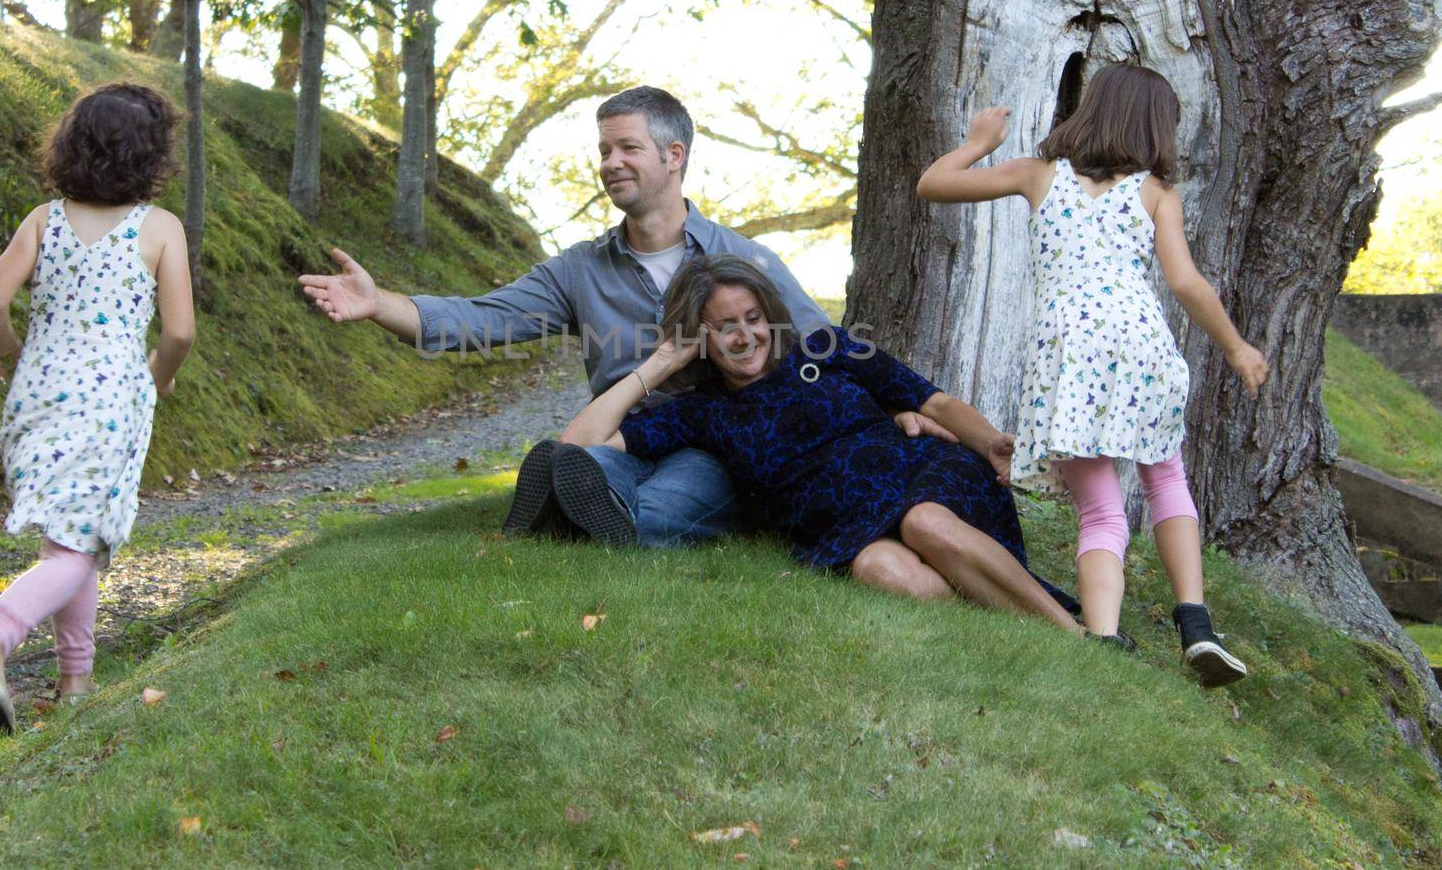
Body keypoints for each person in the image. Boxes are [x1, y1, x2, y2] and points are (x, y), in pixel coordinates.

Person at [299, 86, 956, 555]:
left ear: (674, 156)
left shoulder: (743, 259)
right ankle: (571, 495)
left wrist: (895, 408)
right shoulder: (581, 270)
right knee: (589, 466)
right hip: (623, 428)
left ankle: (586, 520)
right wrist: (377, 301)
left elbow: (823, 348)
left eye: (627, 148)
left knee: (672, 494)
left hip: (717, 438)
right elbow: (481, 318)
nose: (610, 162)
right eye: (605, 149)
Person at [916, 63, 1268, 686]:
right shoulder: (1156, 192)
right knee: (1166, 481)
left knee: (1101, 512)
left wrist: (976, 144)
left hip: (1066, 359)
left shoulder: (1037, 174)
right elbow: (1184, 283)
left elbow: (933, 185)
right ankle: (1197, 626)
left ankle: (1103, 641)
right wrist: (1237, 347)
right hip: (1142, 350)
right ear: (1156, 128)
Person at [556, 253, 1080, 627]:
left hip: (920, 471)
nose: (746, 336)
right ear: (699, 337)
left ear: (770, 315)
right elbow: (575, 447)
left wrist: (989, 442)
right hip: (849, 524)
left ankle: (1075, 635)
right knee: (880, 570)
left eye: (753, 318)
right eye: (724, 327)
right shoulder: (703, 412)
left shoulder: (823, 348)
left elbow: (932, 403)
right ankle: (1003, 605)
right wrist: (660, 363)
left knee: (924, 521)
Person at [0, 83, 196, 730]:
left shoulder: (43, 219)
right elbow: (179, 333)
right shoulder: (160, 229)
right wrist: (159, 375)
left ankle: (75, 681)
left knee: (72, 537)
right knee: (77, 549)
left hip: (37, 394)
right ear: (153, 157)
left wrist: (1, 345)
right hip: (109, 399)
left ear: (72, 145)